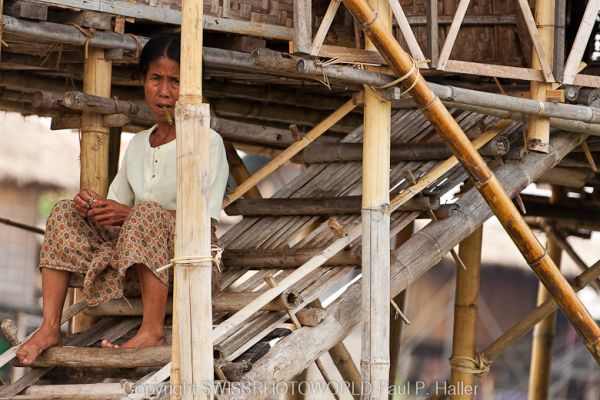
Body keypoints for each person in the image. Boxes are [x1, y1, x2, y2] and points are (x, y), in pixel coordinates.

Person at [16, 33, 229, 365]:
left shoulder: (206, 142)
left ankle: (152, 330)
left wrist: (131, 214)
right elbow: (116, 209)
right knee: (62, 212)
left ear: (191, 88)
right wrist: (92, 208)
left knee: (145, 213)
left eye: (175, 81)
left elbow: (202, 223)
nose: (165, 91)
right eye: (156, 79)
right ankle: (49, 327)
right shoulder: (140, 145)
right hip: (130, 267)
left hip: (188, 266)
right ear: (143, 81)